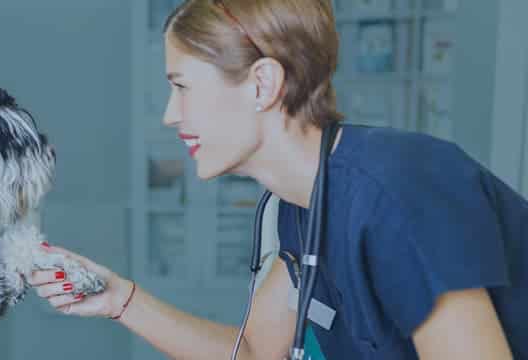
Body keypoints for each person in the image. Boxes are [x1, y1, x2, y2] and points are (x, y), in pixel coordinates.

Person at [29, 0, 527, 358]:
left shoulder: (401, 188)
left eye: (181, 87)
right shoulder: (298, 206)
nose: (169, 115)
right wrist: (120, 300)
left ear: (262, 84)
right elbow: (253, 354)